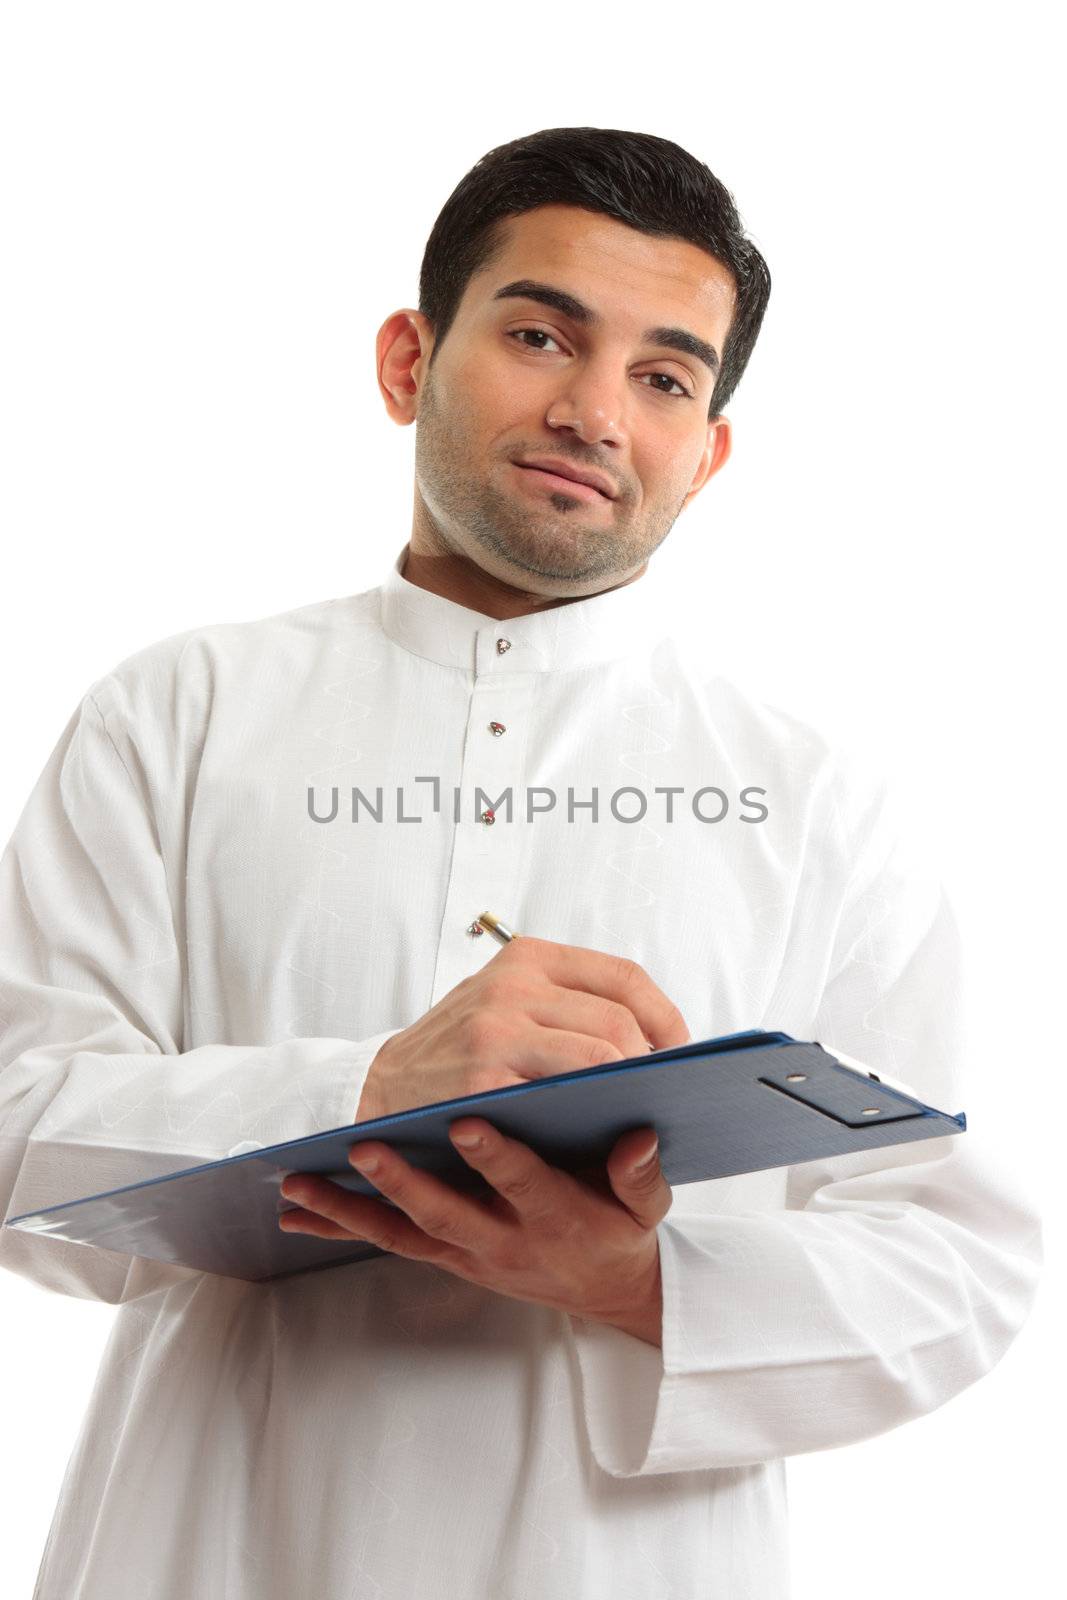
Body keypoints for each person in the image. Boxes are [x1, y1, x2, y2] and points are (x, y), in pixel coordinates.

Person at [0, 126, 1042, 1600]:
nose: (594, 410)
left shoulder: (817, 803)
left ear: (710, 453)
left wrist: (633, 1282)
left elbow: (960, 1264)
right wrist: (362, 1093)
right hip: (210, 1548)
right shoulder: (177, 714)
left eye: (665, 377)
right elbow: (15, 1131)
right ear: (408, 362)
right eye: (542, 333)